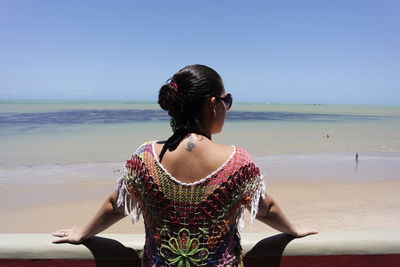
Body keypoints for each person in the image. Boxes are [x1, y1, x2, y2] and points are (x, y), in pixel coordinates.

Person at [52, 64, 317, 266]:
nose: (228, 108)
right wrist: (294, 229)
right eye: (227, 101)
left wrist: (82, 232)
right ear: (213, 105)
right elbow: (265, 208)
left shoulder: (145, 158)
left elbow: (116, 205)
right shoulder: (237, 162)